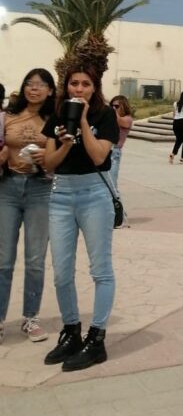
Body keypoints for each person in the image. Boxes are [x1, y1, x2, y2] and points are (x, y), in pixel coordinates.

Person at [42, 65, 119, 371]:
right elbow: (49, 163)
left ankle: (96, 339)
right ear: (66, 86)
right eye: (74, 83)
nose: (79, 89)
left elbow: (100, 157)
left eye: (85, 84)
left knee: (100, 270)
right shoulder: (58, 117)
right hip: (60, 195)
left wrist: (83, 122)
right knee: (61, 272)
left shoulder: (105, 115)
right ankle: (71, 331)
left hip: (94, 195)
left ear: (94, 87)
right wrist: (64, 141)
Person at [0, 68, 56, 344]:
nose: (33, 89)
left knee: (35, 260)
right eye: (29, 84)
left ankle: (30, 318)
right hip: (7, 189)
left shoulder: (54, 120)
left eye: (40, 84)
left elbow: (61, 155)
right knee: (2, 260)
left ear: (50, 90)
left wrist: (48, 157)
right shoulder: (6, 116)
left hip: (40, 190)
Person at [108, 95, 133, 199]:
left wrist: (111, 111)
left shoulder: (127, 119)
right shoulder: (111, 118)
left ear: (123, 106)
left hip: (114, 152)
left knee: (112, 186)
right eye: (112, 106)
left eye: (116, 106)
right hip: (105, 150)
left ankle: (119, 213)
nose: (114, 108)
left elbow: (120, 121)